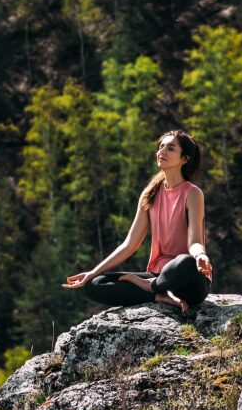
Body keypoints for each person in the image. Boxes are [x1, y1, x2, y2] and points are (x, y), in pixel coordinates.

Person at [62, 130, 213, 313]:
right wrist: (93, 272)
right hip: (157, 275)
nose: (162, 151)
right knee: (94, 284)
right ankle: (158, 295)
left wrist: (200, 256)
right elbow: (130, 244)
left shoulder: (192, 193)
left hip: (189, 280)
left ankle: (154, 287)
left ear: (185, 158)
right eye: (161, 146)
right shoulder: (150, 193)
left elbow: (195, 241)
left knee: (185, 262)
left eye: (170, 148)